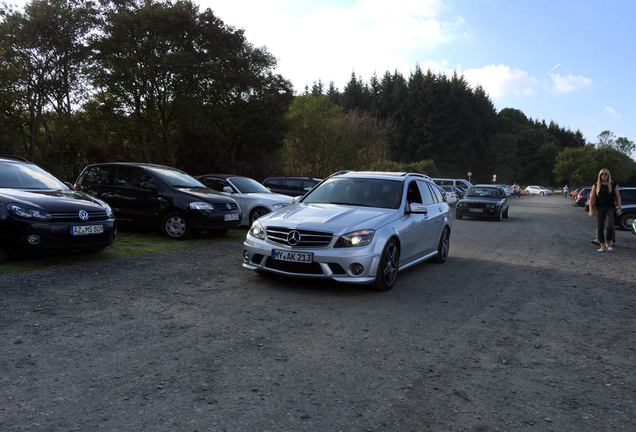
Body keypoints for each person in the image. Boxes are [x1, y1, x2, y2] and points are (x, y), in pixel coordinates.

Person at [588, 169, 622, 252]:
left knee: (609, 226)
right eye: (602, 174)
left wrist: (619, 208)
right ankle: (602, 246)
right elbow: (592, 198)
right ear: (599, 175)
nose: (604, 175)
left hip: (610, 208)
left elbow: (618, 197)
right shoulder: (596, 185)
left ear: (608, 175)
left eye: (605, 174)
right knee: (600, 227)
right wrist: (590, 210)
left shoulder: (614, 185)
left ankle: (609, 243)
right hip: (599, 208)